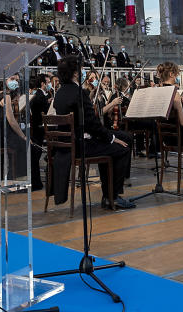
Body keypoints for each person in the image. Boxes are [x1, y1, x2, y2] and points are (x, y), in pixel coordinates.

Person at [51, 56, 135, 210]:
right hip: (81, 144)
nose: (83, 72)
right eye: (81, 69)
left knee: (124, 138)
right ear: (75, 73)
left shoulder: (61, 92)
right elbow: (92, 124)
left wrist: (111, 137)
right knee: (122, 149)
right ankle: (113, 196)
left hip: (67, 145)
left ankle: (108, 194)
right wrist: (111, 138)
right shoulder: (78, 92)